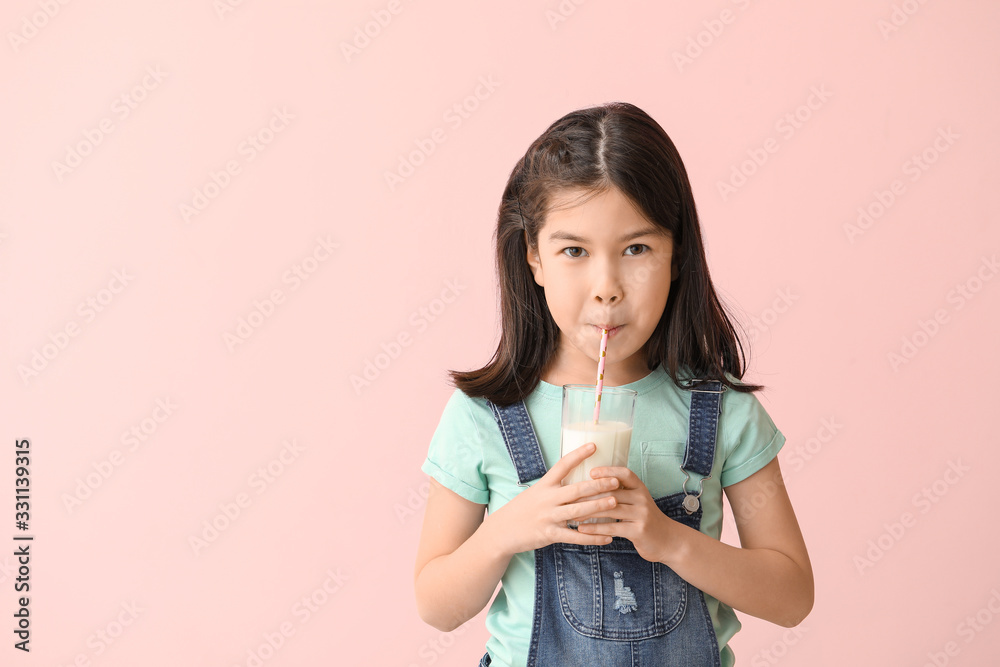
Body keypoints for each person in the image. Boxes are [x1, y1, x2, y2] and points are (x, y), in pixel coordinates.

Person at [413, 102, 813, 667]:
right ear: (534, 257)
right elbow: (437, 605)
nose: (607, 288)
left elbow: (793, 595)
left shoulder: (720, 413)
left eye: (636, 249)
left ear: (677, 256)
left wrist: (671, 540)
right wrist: (509, 530)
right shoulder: (485, 415)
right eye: (574, 251)